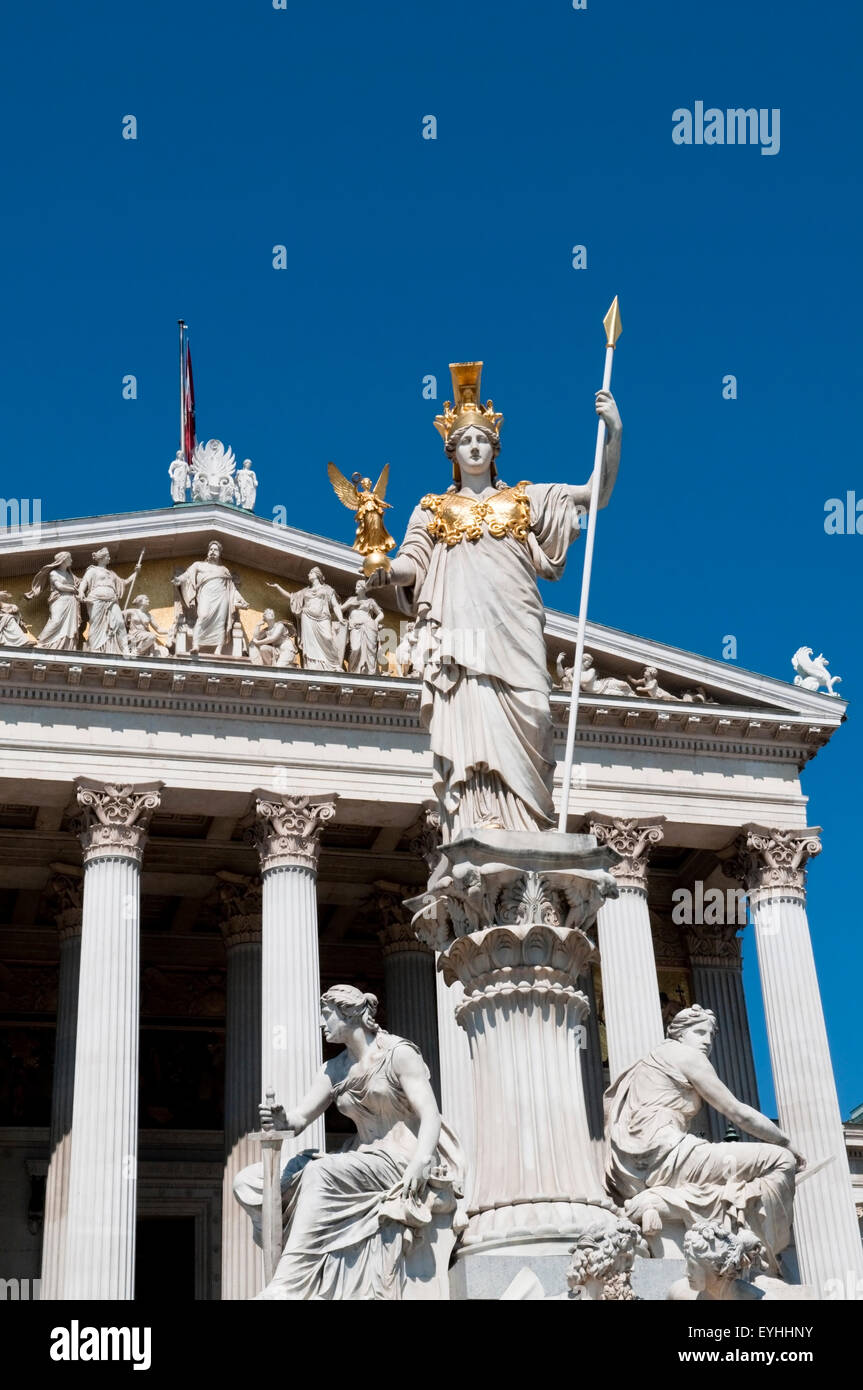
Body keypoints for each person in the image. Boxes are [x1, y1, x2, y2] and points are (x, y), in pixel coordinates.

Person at [368, 361, 621, 838]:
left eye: (482, 439)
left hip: (517, 628)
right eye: (465, 441)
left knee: (538, 712)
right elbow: (412, 565)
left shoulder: (527, 500)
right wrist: (383, 569)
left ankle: (529, 825)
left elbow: (596, 494)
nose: (475, 446)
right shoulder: (433, 509)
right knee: (473, 723)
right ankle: (480, 821)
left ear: (495, 447)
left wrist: (614, 433)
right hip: (464, 637)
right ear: (453, 452)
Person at [233, 985, 463, 1300]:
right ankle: (298, 1255)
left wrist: (421, 1163)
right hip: (362, 1158)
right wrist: (281, 1119)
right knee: (250, 1181)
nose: (321, 1023)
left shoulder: (398, 1053)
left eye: (326, 1015)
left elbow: (430, 1115)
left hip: (400, 1160)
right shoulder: (334, 1069)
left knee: (321, 1173)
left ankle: (291, 1284)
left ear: (349, 1014)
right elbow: (299, 1120)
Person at [605, 1004, 803, 1273]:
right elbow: (735, 1111)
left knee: (740, 1174)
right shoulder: (686, 1056)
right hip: (670, 1155)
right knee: (780, 1161)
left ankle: (673, 1203)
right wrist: (785, 1142)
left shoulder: (647, 1061)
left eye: (711, 1035)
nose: (707, 1041)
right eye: (699, 1032)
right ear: (679, 1033)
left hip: (637, 1164)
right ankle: (762, 1253)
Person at [173, 541, 249, 655]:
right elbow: (187, 575)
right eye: (211, 549)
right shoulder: (198, 565)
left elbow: (232, 589)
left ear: (219, 553)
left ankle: (218, 649)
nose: (213, 551)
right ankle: (196, 645)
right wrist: (179, 580)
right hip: (206, 595)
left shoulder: (224, 570)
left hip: (222, 597)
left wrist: (242, 600)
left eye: (215, 550)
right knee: (202, 616)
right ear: (208, 552)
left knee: (221, 622)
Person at [268, 568, 345, 671]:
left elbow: (335, 605)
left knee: (328, 638)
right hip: (307, 617)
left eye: (311, 572)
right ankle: (312, 666)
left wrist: (340, 618)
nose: (308, 574)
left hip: (323, 618)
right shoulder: (305, 591)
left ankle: (334, 665)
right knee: (310, 644)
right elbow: (292, 597)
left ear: (317, 575)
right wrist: (278, 587)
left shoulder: (327, 589)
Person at [78, 548, 139, 656]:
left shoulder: (111, 574)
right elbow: (84, 582)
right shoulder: (92, 570)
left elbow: (124, 582)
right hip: (96, 599)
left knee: (120, 622)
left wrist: (135, 572)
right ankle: (95, 648)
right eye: (107, 556)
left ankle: (125, 649)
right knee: (95, 624)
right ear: (101, 558)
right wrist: (81, 592)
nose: (109, 558)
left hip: (112, 600)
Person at [24, 552, 81, 650]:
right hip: (59, 599)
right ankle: (42, 642)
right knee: (56, 620)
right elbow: (59, 586)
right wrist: (73, 589)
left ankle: (66, 645)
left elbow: (80, 582)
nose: (71, 560)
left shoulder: (70, 574)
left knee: (70, 626)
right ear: (63, 560)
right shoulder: (53, 573)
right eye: (69, 558)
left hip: (71, 601)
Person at [341, 578, 384, 674]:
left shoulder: (370, 601)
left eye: (358, 586)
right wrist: (349, 604)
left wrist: (375, 622)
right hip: (355, 627)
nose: (355, 588)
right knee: (355, 648)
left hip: (368, 627)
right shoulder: (351, 599)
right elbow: (340, 610)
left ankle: (368, 671)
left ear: (364, 588)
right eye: (356, 586)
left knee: (370, 651)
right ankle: (352, 671)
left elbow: (381, 614)